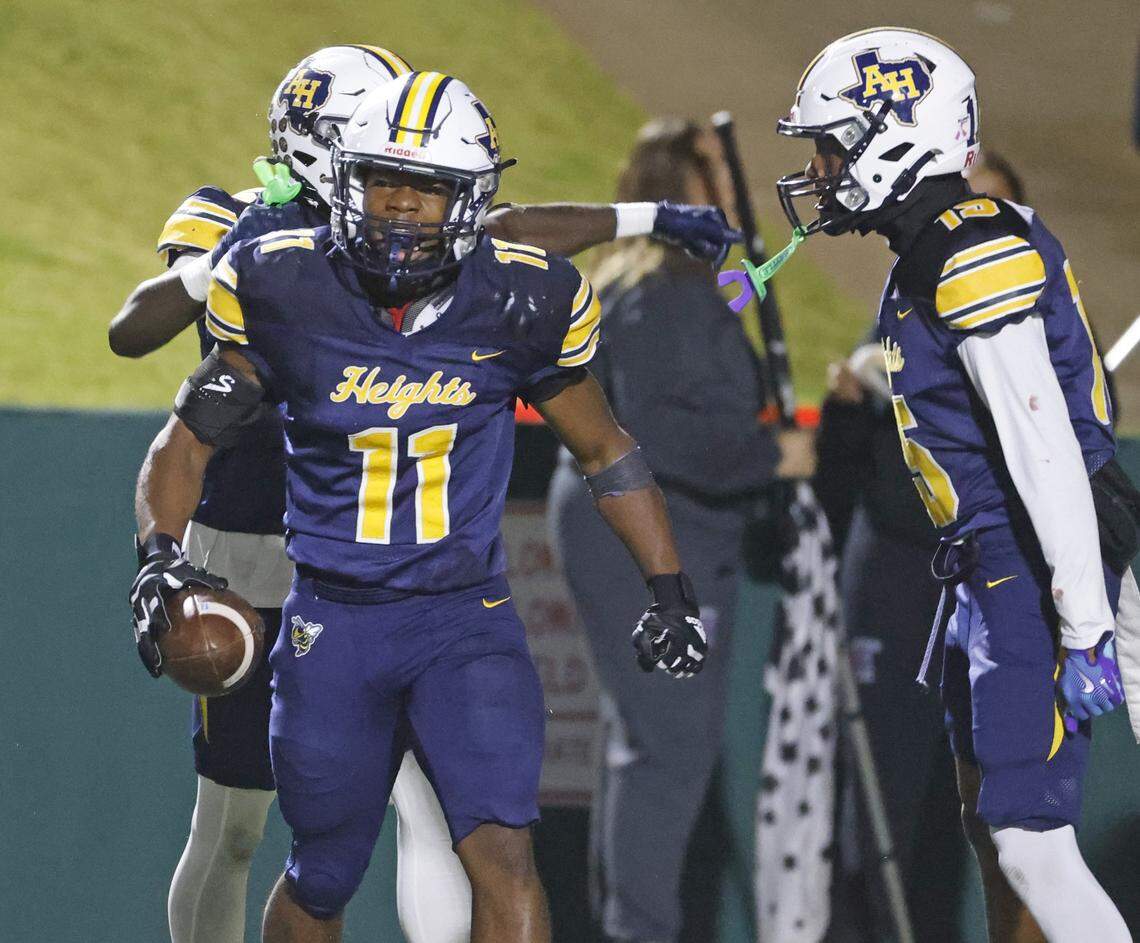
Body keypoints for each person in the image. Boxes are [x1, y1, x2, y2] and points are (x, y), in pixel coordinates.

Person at [111, 46, 737, 943]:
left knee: (500, 849)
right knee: (320, 867)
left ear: (468, 200)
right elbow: (184, 431)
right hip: (328, 614)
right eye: (381, 181)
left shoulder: (522, 296)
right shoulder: (275, 274)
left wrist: (669, 587)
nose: (402, 206)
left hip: (464, 619)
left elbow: (607, 448)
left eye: (427, 188)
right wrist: (159, 555)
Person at [776, 27, 1132, 943]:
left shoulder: (966, 245)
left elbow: (1042, 441)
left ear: (894, 138)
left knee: (1030, 843)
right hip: (1001, 555)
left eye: (832, 145)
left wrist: (1084, 619)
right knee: (995, 822)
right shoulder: (936, 245)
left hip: (1036, 551)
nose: (817, 170)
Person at [547, 118, 815, 943]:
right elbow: (660, 431)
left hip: (652, 528)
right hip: (653, 534)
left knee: (649, 746)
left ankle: (631, 926)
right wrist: (774, 453)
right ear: (682, 190)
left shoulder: (656, 284)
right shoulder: (665, 293)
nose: (733, 195)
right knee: (666, 750)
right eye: (717, 180)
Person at [815, 151, 1026, 943]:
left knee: (993, 813)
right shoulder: (904, 304)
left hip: (995, 589)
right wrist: (846, 411)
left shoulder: (1038, 320)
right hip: (899, 582)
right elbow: (846, 482)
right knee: (876, 802)